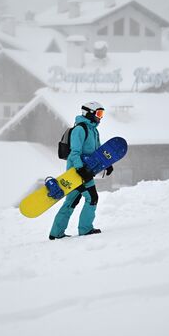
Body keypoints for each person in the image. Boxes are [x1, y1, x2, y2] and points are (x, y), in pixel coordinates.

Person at [49, 101, 113, 240]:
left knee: (71, 201)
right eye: (98, 113)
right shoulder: (80, 129)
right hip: (78, 172)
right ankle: (85, 229)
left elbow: (98, 150)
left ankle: (56, 233)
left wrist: (107, 163)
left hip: (85, 171)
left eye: (101, 113)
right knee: (92, 198)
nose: (100, 117)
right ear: (89, 113)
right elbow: (74, 153)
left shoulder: (93, 130)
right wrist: (80, 169)